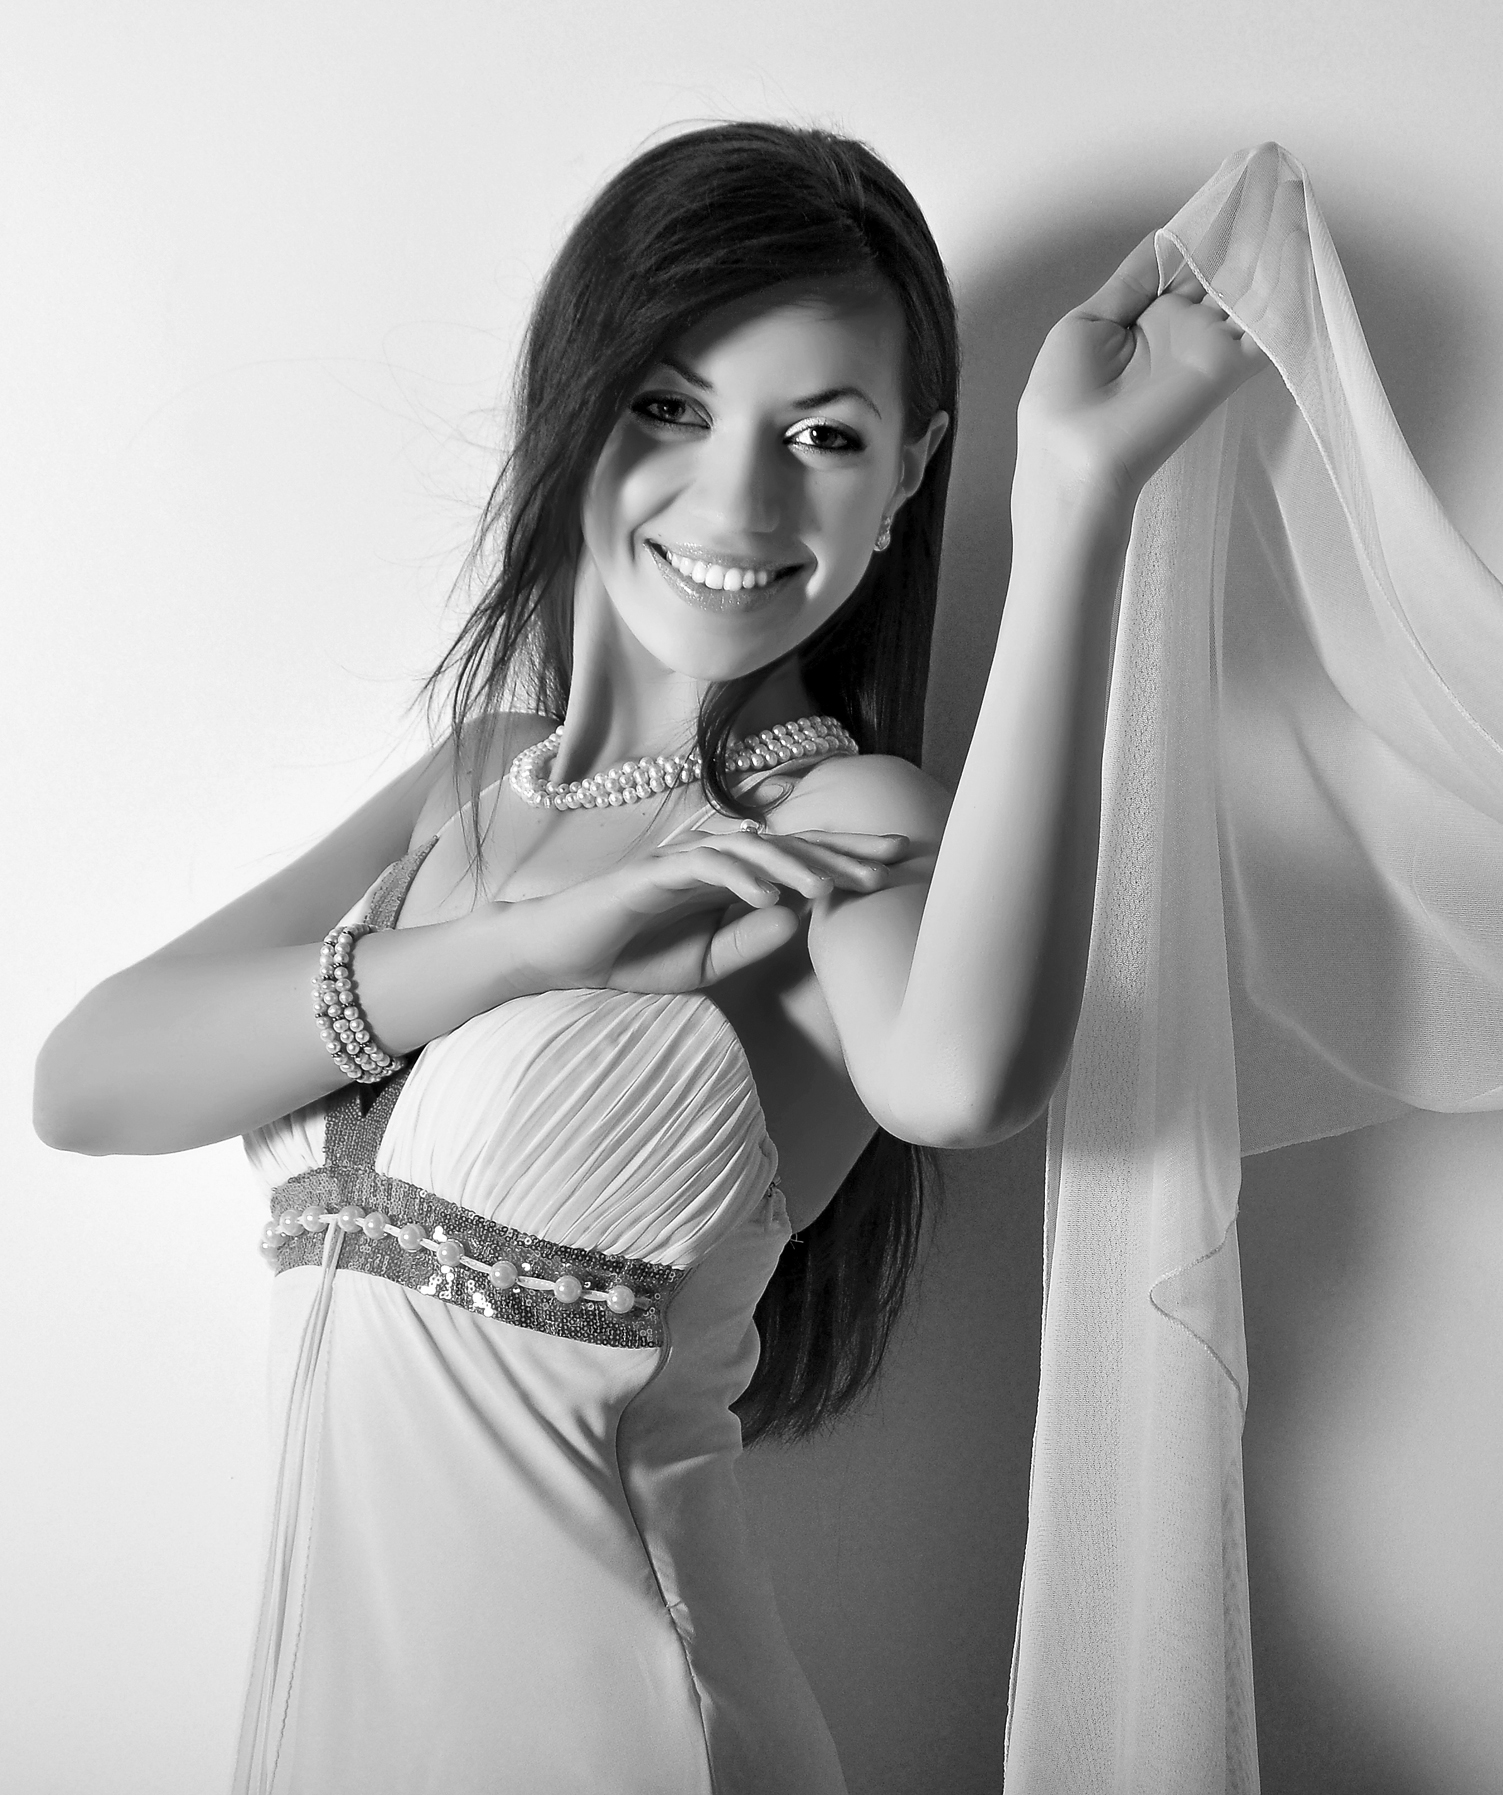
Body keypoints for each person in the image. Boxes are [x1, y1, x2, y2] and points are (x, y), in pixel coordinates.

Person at [32, 121, 1263, 1794]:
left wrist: (1077, 506)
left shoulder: (842, 818)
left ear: (910, 476)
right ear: (574, 405)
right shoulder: (473, 783)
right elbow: (87, 1083)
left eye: (823, 436)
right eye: (673, 408)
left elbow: (964, 1081)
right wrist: (523, 948)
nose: (740, 500)